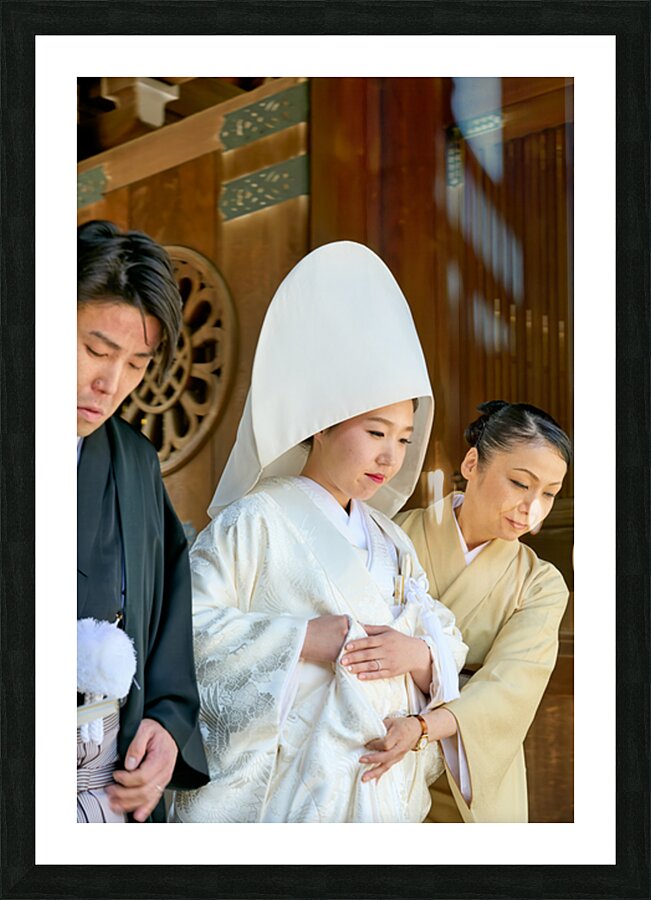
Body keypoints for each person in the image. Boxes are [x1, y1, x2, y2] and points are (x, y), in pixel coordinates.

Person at [171, 241, 468, 823]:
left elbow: (443, 633)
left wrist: (421, 655)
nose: (391, 455)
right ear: (323, 426)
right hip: (291, 797)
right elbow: (188, 628)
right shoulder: (253, 521)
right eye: (376, 431)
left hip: (380, 791)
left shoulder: (392, 540)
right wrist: (301, 639)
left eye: (405, 438)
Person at [348, 400, 571, 822]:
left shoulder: (540, 583)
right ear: (472, 463)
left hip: (469, 774)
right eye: (521, 483)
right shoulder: (388, 536)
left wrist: (422, 727)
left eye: (550, 494)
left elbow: (509, 688)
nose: (533, 507)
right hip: (374, 755)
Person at [77, 220, 209, 822]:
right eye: (96, 351)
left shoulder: (133, 461)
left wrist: (164, 721)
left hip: (103, 781)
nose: (110, 384)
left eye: (135, 365)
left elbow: (167, 627)